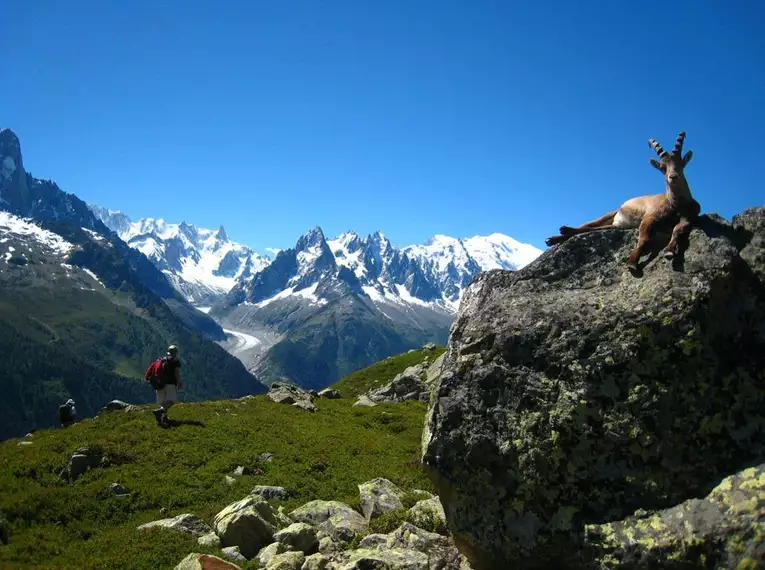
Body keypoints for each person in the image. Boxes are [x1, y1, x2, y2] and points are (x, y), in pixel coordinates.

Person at [152, 345, 183, 426]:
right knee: (171, 401)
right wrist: (179, 382)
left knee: (163, 402)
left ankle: (163, 418)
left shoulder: (161, 359)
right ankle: (161, 411)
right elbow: (176, 373)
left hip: (159, 383)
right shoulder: (175, 361)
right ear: (176, 352)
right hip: (170, 384)